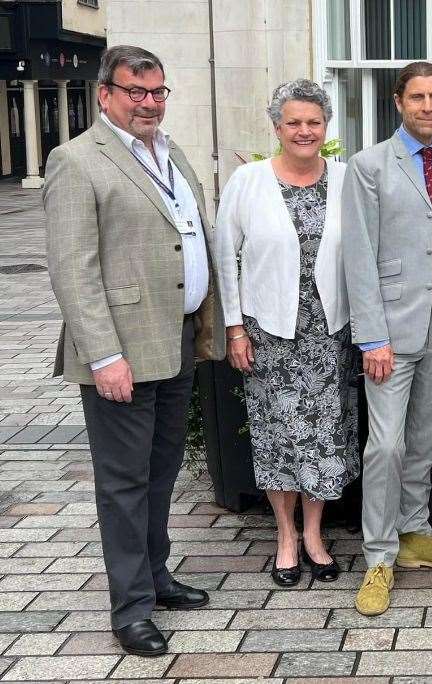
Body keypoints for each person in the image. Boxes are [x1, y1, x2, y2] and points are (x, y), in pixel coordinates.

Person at [44, 45, 224, 657]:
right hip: (121, 350)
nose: (149, 104)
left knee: (160, 472)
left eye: (157, 93)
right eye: (135, 92)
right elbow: (73, 271)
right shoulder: (76, 161)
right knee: (124, 483)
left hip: (174, 340)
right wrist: (102, 357)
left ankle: (154, 574)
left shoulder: (170, 155)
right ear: (106, 94)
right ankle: (131, 608)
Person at [342, 61, 432, 617]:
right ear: (399, 101)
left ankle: (416, 532)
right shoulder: (369, 165)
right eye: (417, 97)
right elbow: (359, 256)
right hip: (390, 334)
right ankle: (378, 555)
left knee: (425, 438)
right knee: (386, 444)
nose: (427, 106)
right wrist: (372, 337)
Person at [214, 79, 360, 588]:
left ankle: (316, 534)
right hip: (268, 332)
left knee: (323, 438)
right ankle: (285, 536)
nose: (304, 131)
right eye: (293, 122)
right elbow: (224, 259)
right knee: (278, 439)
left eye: (313, 122)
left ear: (327, 126)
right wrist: (234, 328)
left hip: (329, 334)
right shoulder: (247, 181)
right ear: (276, 127)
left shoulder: (347, 179)